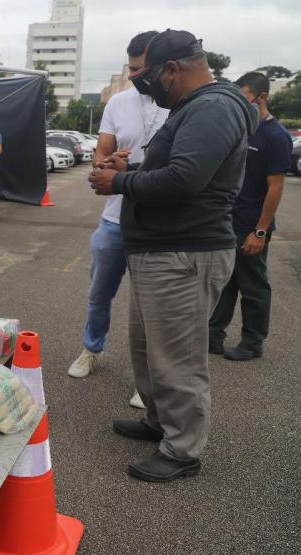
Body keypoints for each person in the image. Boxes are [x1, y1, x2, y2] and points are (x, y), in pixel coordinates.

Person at [89, 30, 256, 482]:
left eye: (147, 77)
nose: (146, 87)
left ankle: (182, 450)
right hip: (162, 251)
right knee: (148, 349)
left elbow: (183, 180)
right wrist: (131, 168)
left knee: (177, 358)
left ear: (171, 70)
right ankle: (159, 421)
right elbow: (174, 169)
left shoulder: (213, 107)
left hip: (185, 252)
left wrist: (119, 183)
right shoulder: (194, 107)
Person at [67, 31, 169, 413]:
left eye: (141, 69)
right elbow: (102, 152)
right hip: (113, 220)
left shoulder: (180, 104)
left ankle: (149, 378)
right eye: (131, 69)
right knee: (99, 294)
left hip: (156, 224)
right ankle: (92, 350)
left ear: (161, 66)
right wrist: (104, 163)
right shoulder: (119, 102)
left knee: (149, 306)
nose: (135, 75)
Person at [209, 72, 293, 361]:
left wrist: (260, 231)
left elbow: (275, 188)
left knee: (253, 286)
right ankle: (213, 336)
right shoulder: (240, 129)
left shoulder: (275, 136)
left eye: (243, 97)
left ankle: (252, 342)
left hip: (251, 226)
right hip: (227, 221)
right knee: (223, 283)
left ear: (262, 97)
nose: (238, 103)